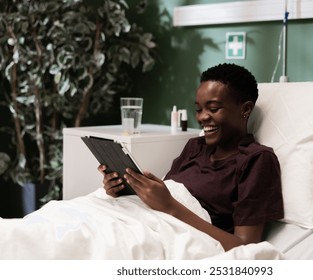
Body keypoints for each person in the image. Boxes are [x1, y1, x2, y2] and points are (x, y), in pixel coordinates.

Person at [98, 63, 284, 251]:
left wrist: (170, 205)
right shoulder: (195, 147)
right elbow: (167, 194)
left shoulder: (256, 160)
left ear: (245, 109)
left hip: (176, 239)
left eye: (213, 108)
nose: (202, 117)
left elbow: (246, 247)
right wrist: (125, 190)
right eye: (199, 109)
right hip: (142, 221)